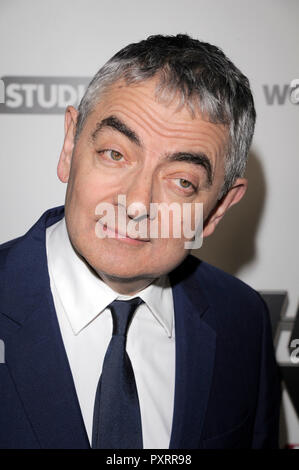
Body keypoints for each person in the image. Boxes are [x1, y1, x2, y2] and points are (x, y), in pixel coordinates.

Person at [0, 34, 280, 449]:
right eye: (115, 154)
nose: (135, 204)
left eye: (182, 181)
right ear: (70, 144)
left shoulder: (242, 321)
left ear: (218, 208)